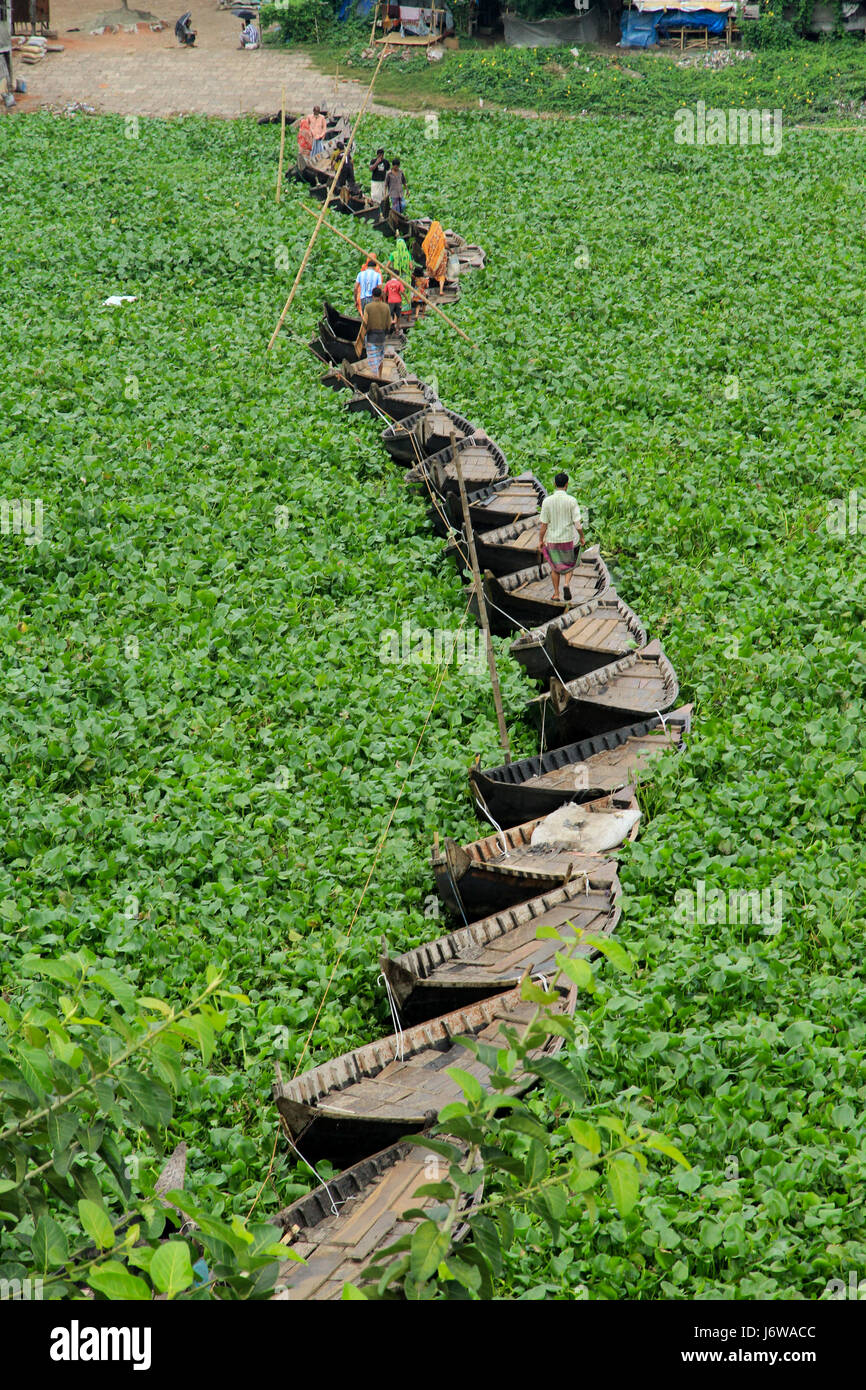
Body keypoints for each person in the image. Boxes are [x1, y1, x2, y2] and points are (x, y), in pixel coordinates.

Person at [538, 473, 586, 602]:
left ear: (554, 484)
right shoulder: (571, 501)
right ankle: (566, 584)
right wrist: (582, 537)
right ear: (567, 485)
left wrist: (540, 541)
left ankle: (556, 594)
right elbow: (577, 523)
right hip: (567, 538)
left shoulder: (547, 501)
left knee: (555, 567)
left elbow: (544, 525)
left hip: (552, 539)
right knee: (569, 564)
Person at [361, 288, 393, 378]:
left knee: (373, 357)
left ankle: (374, 376)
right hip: (381, 335)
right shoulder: (386, 306)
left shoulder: (368, 307)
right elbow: (388, 323)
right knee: (380, 356)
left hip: (371, 335)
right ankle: (379, 376)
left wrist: (363, 334)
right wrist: (387, 331)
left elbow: (365, 322)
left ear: (372, 295)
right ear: (381, 296)